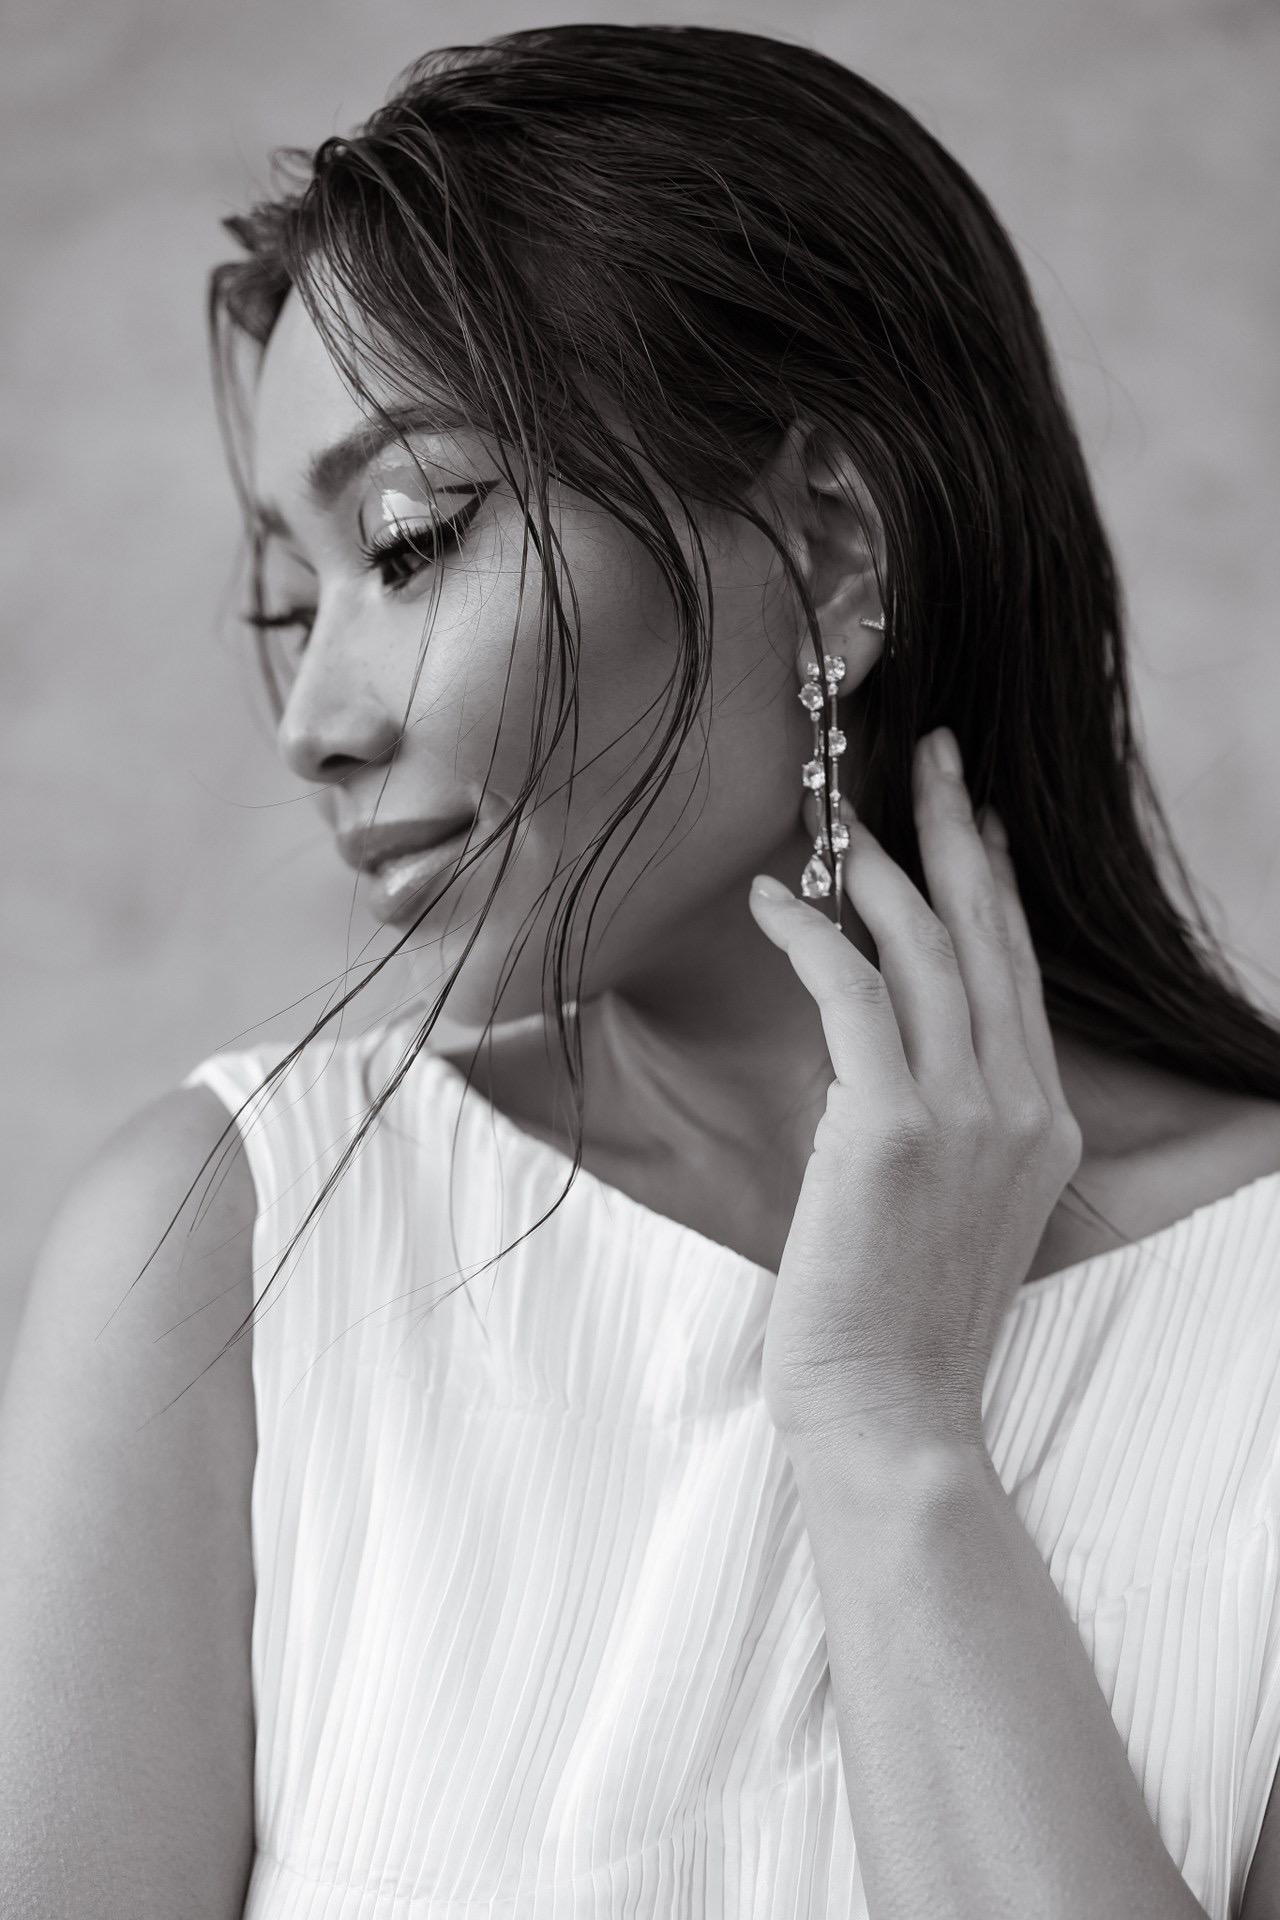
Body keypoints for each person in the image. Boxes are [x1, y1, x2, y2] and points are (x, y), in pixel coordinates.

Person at [3, 22, 1280, 1919]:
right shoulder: (232, 1248)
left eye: (409, 541)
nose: (314, 720)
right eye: (292, 596)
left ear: (828, 546)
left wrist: (889, 1431)